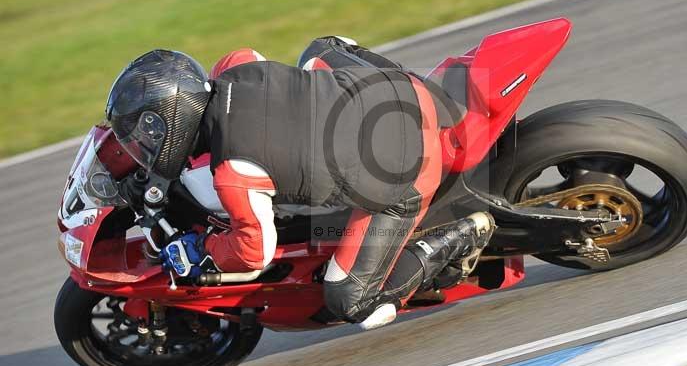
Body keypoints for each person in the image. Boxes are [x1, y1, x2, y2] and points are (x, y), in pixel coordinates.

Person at [106, 37, 494, 329]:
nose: (146, 144)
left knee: (351, 302)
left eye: (152, 133)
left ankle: (458, 235)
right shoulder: (234, 68)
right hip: (401, 87)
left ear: (175, 121)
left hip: (409, 171)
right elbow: (250, 61)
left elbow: (253, 252)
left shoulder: (235, 174)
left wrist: (201, 250)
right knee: (321, 47)